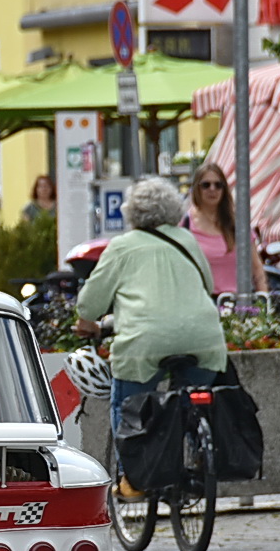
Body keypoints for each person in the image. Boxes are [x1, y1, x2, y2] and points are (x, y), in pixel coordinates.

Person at [73, 178, 227, 498]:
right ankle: (200, 452)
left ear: (131, 212)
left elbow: (89, 303)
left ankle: (133, 479)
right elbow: (208, 284)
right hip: (203, 337)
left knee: (127, 403)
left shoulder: (122, 246)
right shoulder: (186, 239)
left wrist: (88, 322)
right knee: (189, 400)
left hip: (145, 342)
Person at [182, 160, 266, 297]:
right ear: (196, 189)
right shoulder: (185, 225)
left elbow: (257, 268)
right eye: (206, 185)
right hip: (201, 303)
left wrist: (263, 298)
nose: (212, 189)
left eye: (218, 185)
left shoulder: (238, 225)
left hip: (237, 303)